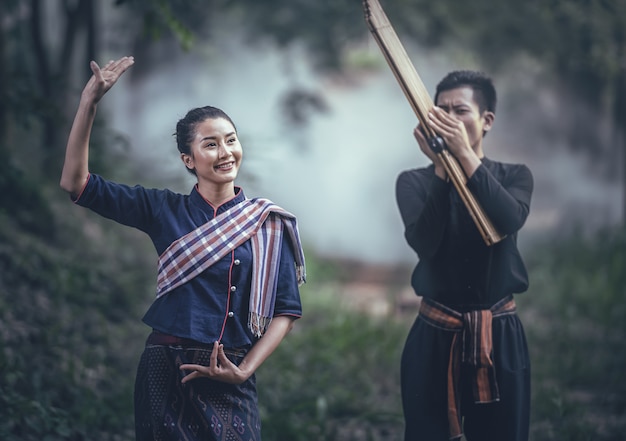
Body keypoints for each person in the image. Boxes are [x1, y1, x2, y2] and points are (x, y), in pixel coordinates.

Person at [60, 56, 306, 441]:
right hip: (166, 368)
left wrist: (244, 370)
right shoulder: (162, 209)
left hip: (231, 372)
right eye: (210, 145)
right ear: (188, 160)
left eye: (231, 140)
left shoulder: (269, 224)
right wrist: (89, 102)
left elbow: (286, 310)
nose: (225, 152)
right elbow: (77, 184)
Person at [395, 70, 533, 441]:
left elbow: (507, 221)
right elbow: (424, 244)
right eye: (440, 111)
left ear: (486, 120)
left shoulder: (514, 176)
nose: (447, 119)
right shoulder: (414, 181)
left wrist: (463, 155)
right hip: (435, 333)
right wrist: (442, 167)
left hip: (499, 334)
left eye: (460, 110)